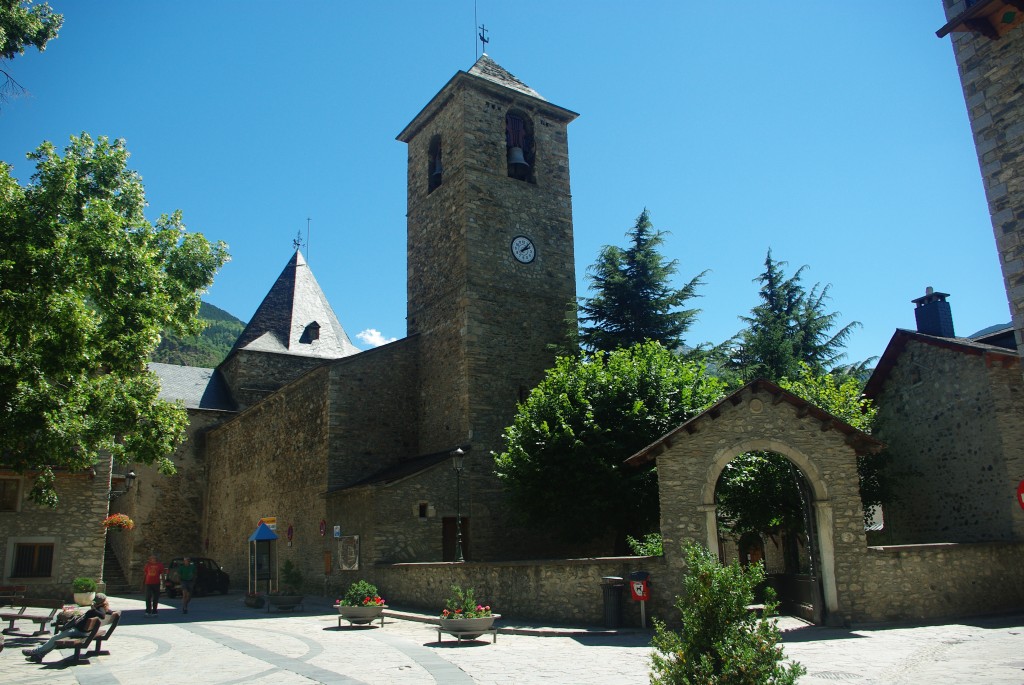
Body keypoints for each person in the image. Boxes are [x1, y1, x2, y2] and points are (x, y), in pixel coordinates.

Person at [23, 593, 109, 661]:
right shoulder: (102, 607)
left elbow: (102, 615)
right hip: (83, 631)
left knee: (55, 638)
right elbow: (107, 613)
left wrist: (93, 609)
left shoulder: (99, 609)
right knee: (56, 640)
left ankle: (35, 651)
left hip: (79, 631)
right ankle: (39, 656)